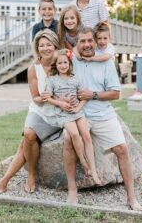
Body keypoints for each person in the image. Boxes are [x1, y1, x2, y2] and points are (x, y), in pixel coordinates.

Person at [63, 27, 142, 211]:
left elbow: (116, 94)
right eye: (82, 41)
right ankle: (72, 190)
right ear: (77, 44)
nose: (87, 44)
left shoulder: (105, 61)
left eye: (90, 40)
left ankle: (131, 197)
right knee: (68, 139)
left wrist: (93, 95)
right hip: (77, 114)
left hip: (102, 113)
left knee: (122, 149)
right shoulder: (71, 60)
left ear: (96, 41)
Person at [0, 30, 62, 193]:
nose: (45, 48)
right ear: (37, 48)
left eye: (48, 44)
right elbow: (35, 97)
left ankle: (6, 180)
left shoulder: (63, 62)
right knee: (29, 135)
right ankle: (30, 174)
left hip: (58, 113)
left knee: (24, 144)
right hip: (40, 110)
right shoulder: (33, 68)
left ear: (55, 45)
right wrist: (43, 98)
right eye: (41, 45)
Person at [46, 49, 101, 186]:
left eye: (65, 62)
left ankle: (93, 171)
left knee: (86, 136)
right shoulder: (52, 80)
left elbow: (83, 98)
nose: (63, 65)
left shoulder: (76, 79)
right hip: (63, 114)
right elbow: (48, 98)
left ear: (69, 64)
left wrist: (77, 108)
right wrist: (61, 103)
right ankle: (84, 163)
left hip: (77, 112)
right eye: (60, 63)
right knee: (75, 134)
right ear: (56, 65)